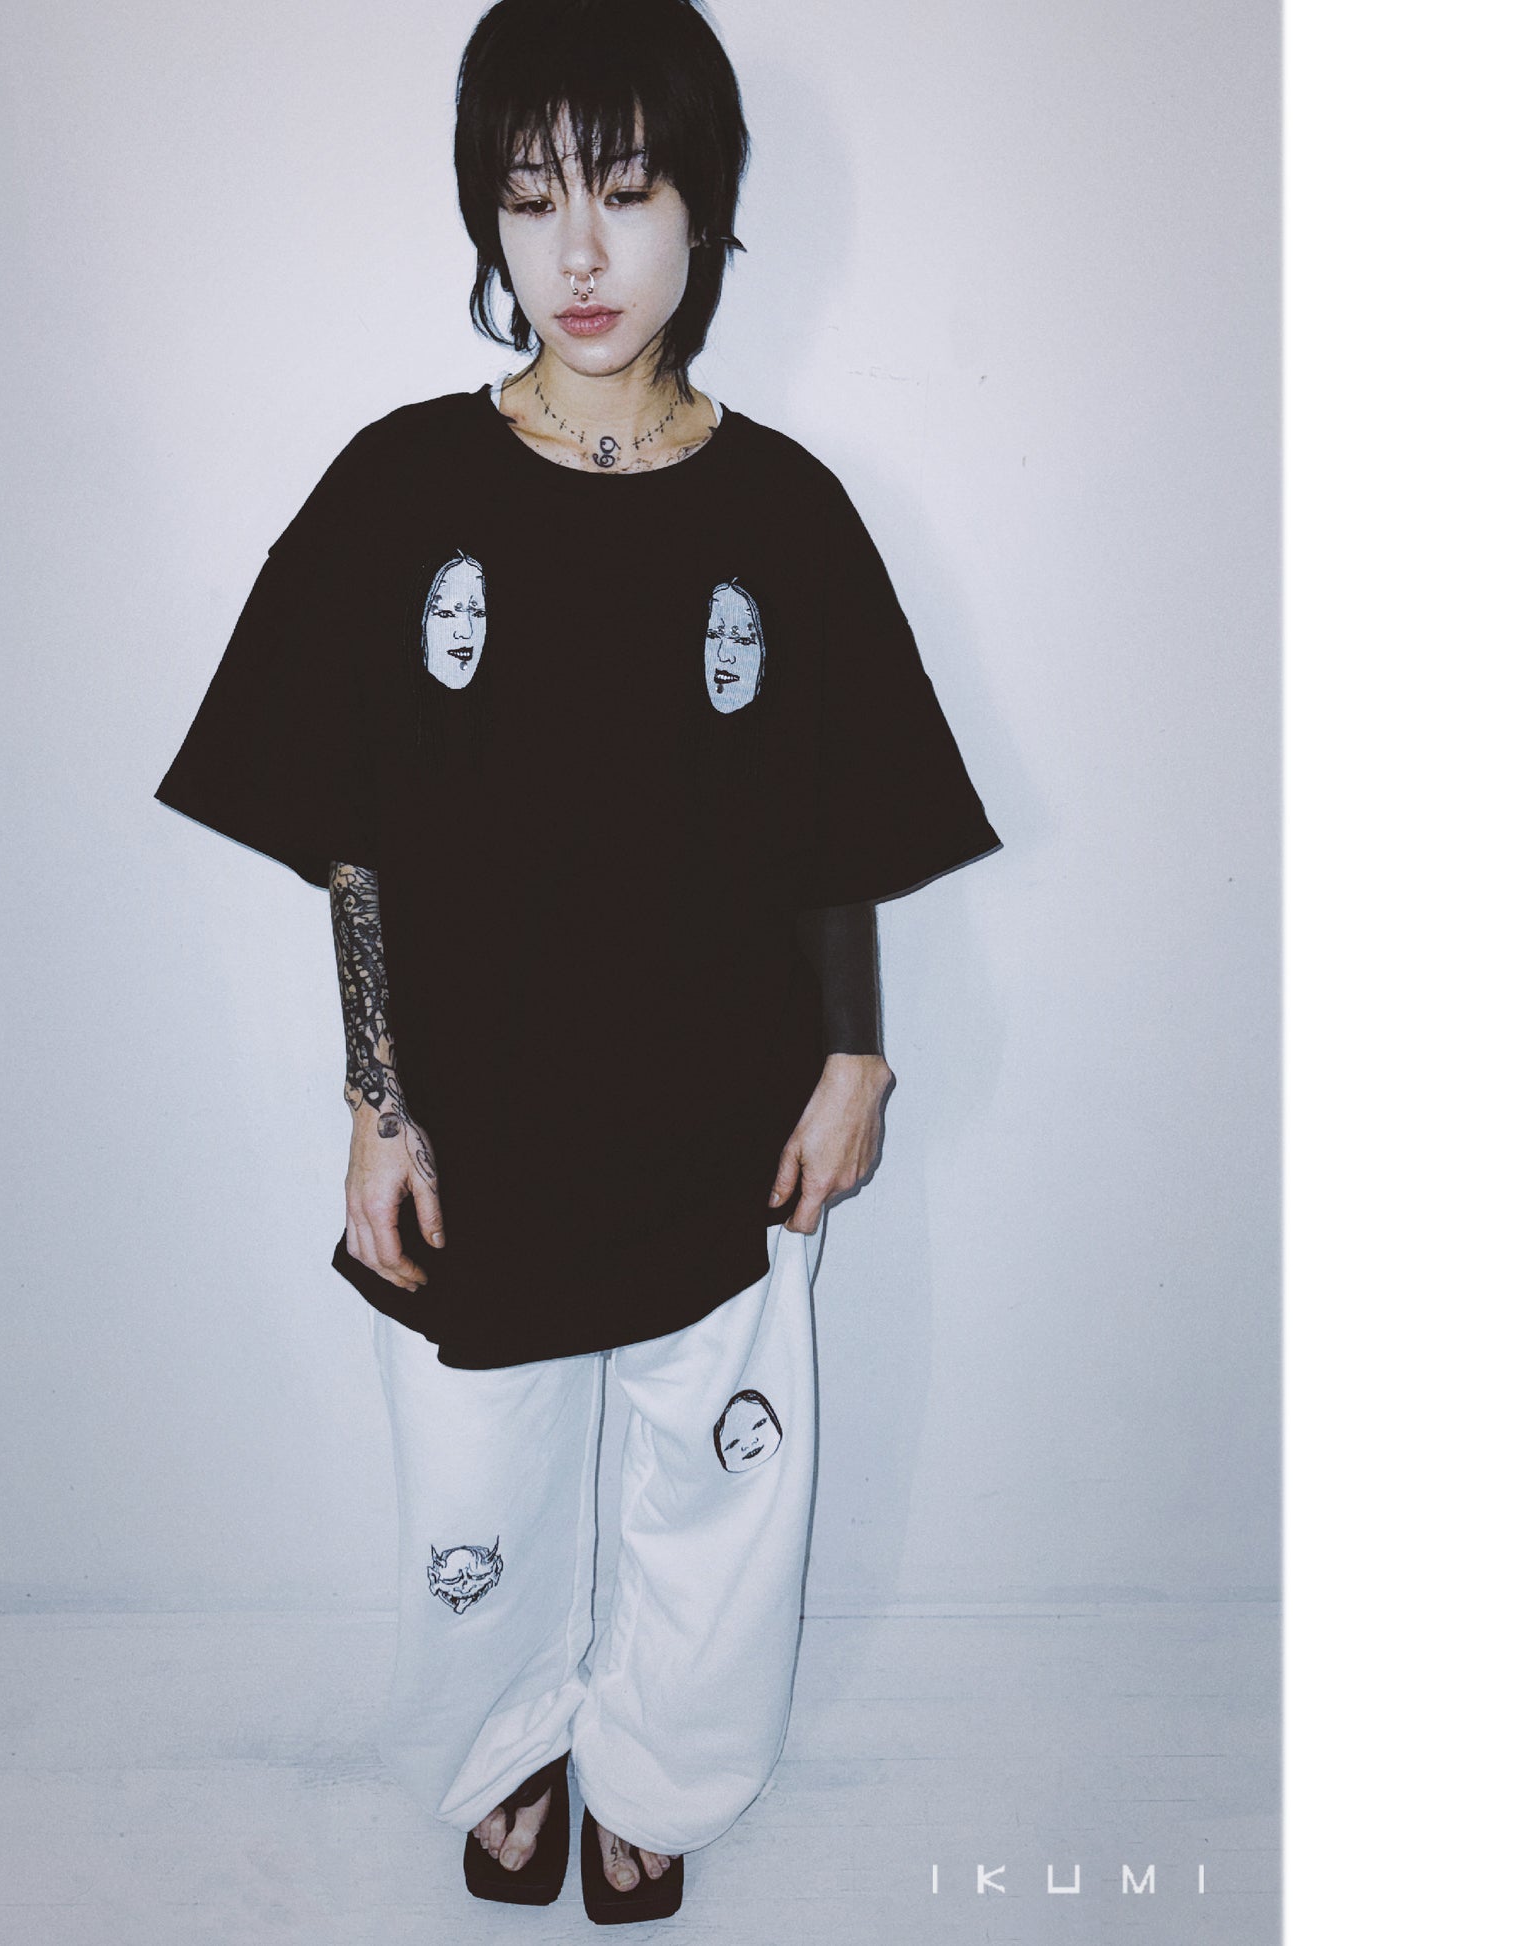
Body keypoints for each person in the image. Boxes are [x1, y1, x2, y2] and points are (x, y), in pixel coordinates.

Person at [155, 0, 1000, 1921]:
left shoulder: (785, 508)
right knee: (478, 1488)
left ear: (705, 206)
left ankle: (662, 1772)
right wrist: (377, 1101)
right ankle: (503, 1747)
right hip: (480, 1112)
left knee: (716, 1485)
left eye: (626, 188)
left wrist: (852, 1055)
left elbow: (839, 812)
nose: (583, 250)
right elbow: (347, 824)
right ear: (487, 217)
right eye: (533, 198)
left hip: (727, 1108)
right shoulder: (400, 488)